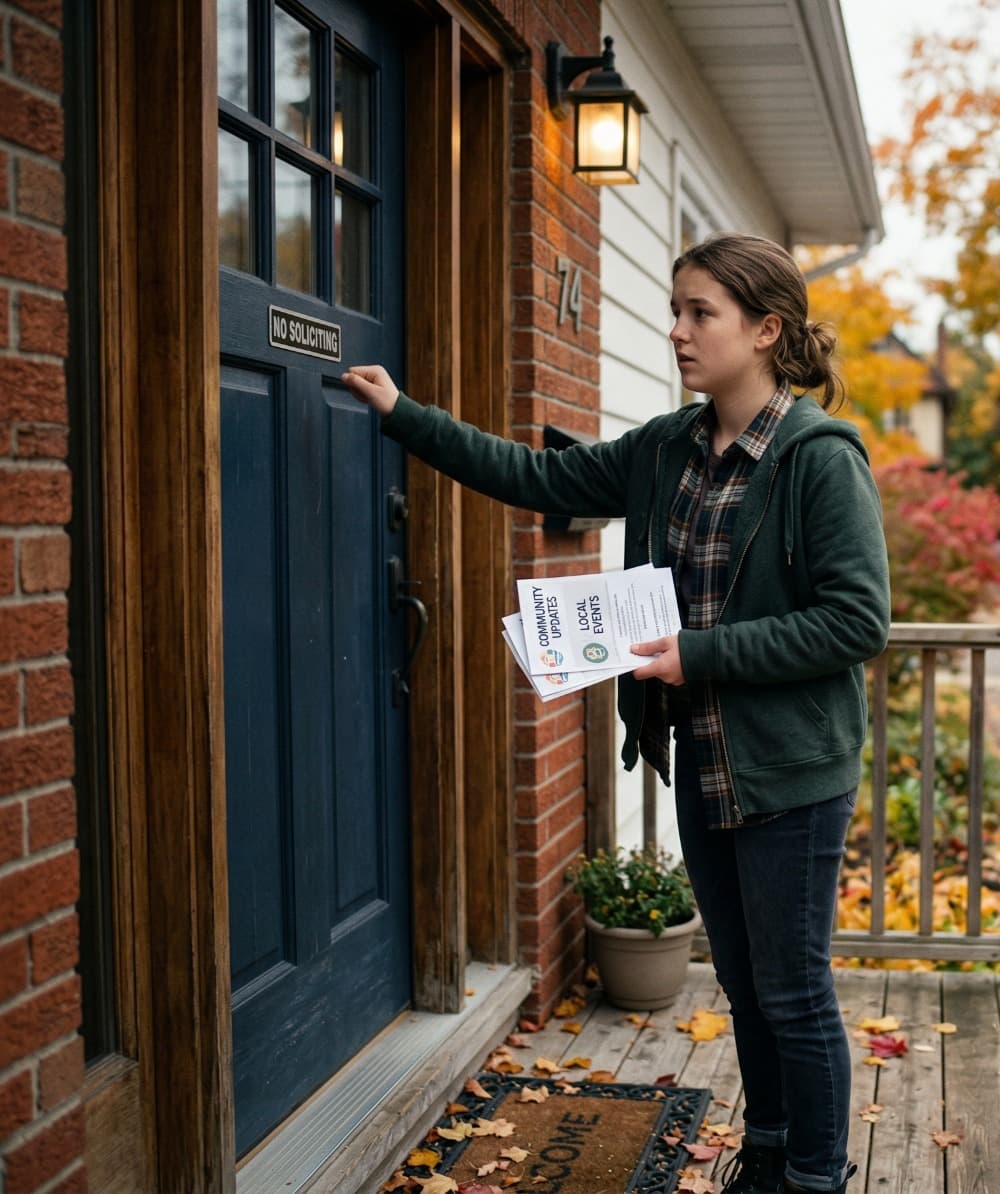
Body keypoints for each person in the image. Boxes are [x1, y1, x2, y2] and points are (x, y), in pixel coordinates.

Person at [342, 233, 889, 1194]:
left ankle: (815, 1177)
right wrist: (404, 416)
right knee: (746, 987)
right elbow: (539, 479)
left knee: (795, 995)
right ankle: (765, 1153)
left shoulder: (817, 458)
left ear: (767, 331)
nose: (676, 330)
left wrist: (699, 652)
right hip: (704, 759)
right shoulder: (667, 449)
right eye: (674, 309)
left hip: (791, 773)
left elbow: (855, 621)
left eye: (699, 313)